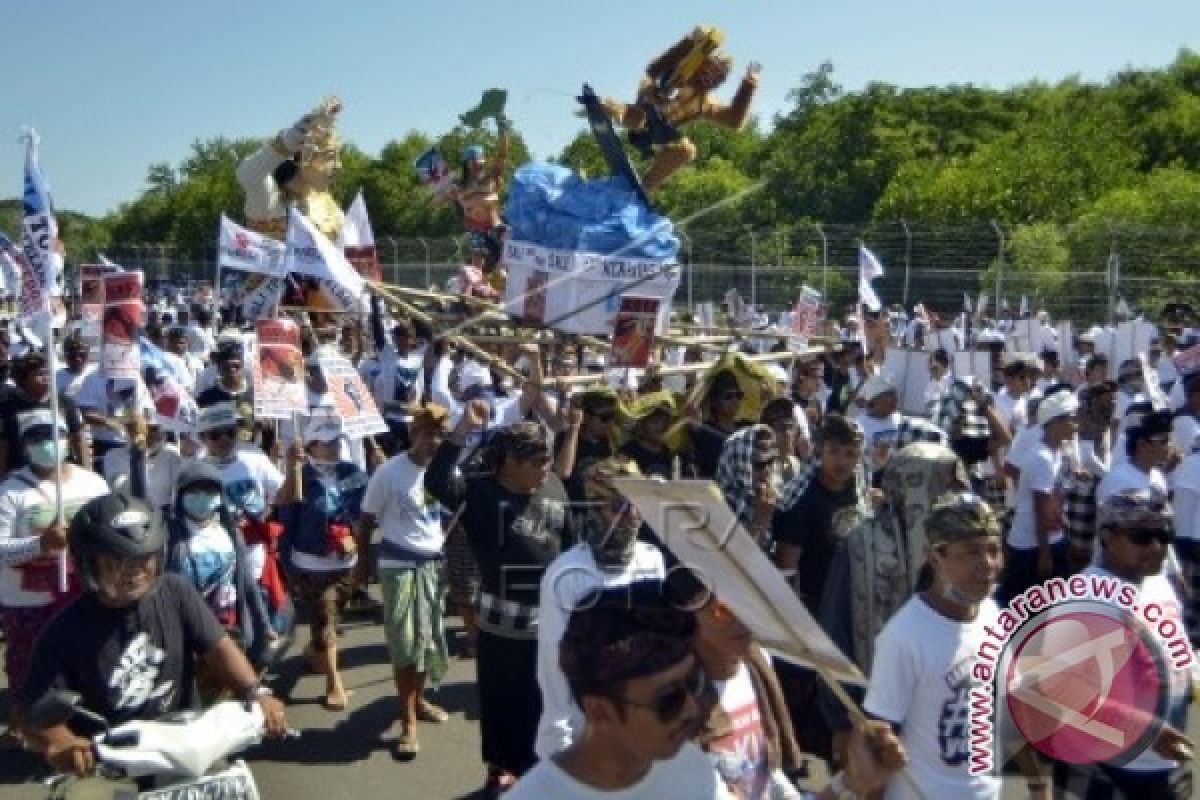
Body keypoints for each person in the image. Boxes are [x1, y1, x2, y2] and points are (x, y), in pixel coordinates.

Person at [510, 583, 907, 800]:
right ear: (599, 711)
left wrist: (849, 785)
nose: (690, 708)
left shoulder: (690, 769)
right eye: (667, 699)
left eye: (693, 684)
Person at [21, 493, 289, 776]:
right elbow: (39, 714)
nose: (134, 571)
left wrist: (255, 691)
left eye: (143, 558)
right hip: (108, 761)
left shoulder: (175, 591)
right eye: (116, 560)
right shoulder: (62, 633)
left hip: (184, 743)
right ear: (88, 564)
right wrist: (64, 743)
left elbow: (219, 647)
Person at [425, 404, 571, 795]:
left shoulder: (554, 488)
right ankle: (501, 767)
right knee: (503, 698)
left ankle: (541, 766)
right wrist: (462, 430)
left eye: (548, 460)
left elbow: (570, 543)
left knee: (546, 700)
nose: (545, 468)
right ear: (510, 461)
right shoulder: (480, 493)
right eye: (538, 461)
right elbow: (438, 481)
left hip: (550, 623)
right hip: (502, 627)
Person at [863, 492, 1006, 800]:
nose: (987, 564)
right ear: (934, 557)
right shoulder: (904, 637)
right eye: (970, 553)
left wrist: (1037, 785)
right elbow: (877, 741)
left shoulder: (994, 617)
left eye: (993, 550)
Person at [1054, 490, 1195, 797]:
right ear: (1107, 537)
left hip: (1165, 760)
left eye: (1163, 535)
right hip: (1107, 767)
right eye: (1142, 536)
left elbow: (1177, 654)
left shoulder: (1157, 583)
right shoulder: (1086, 599)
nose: (1156, 547)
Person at [535, 457, 667, 760]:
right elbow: (553, 669)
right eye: (619, 505)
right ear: (595, 510)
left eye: (638, 503)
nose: (632, 515)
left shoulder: (652, 561)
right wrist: (563, 745)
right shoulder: (565, 576)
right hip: (585, 736)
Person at [0, 410, 110, 743]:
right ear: (26, 445)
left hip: (84, 591)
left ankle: (80, 726)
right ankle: (31, 723)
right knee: (29, 664)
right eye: (38, 438)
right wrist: (40, 544)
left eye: (54, 435)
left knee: (84, 660)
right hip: (28, 599)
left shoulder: (93, 484)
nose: (48, 444)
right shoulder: (9, 492)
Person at [357, 405, 453, 758]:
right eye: (428, 434)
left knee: (427, 643)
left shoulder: (444, 474)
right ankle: (408, 721)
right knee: (405, 645)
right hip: (398, 566)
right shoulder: (389, 472)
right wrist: (362, 568)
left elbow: (447, 519)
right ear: (414, 435)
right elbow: (366, 520)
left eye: (440, 435)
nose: (434, 442)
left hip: (433, 567)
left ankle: (420, 700)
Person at [592, 26, 760, 192]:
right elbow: (654, 69)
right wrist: (690, 41)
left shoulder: (704, 102)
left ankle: (644, 187)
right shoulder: (679, 71)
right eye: (709, 69)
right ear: (701, 63)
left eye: (717, 75)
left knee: (686, 151)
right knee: (640, 117)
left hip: (661, 133)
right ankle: (605, 107)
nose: (710, 76)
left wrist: (749, 84)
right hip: (643, 112)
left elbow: (735, 121)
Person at [277, 414, 367, 713]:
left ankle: (315, 649)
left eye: (336, 441)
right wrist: (292, 469)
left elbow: (368, 509)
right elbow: (283, 511)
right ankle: (334, 683)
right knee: (326, 618)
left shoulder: (352, 472)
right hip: (311, 565)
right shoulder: (300, 475)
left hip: (346, 561)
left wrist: (378, 468)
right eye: (326, 443)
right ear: (311, 445)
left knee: (328, 620)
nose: (333, 447)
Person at [164, 460, 274, 674]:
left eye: (209, 490)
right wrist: (137, 457)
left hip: (228, 629)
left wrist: (264, 624)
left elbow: (247, 584)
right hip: (186, 631)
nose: (202, 496)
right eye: (194, 490)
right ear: (181, 495)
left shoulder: (231, 533)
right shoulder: (169, 536)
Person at [999, 390, 1076, 605]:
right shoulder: (1041, 458)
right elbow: (1040, 508)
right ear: (1055, 422)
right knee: (1027, 612)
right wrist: (1045, 553)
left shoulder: (1056, 453)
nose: (1075, 425)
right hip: (1032, 546)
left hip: (1052, 538)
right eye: (1071, 419)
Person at [0, 351, 90, 475]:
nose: (46, 378)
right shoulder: (8, 406)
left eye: (47, 373)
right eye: (39, 374)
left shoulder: (65, 402)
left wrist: (87, 472)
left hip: (59, 474)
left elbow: (78, 439)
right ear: (23, 379)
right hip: (22, 475)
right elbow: (4, 444)